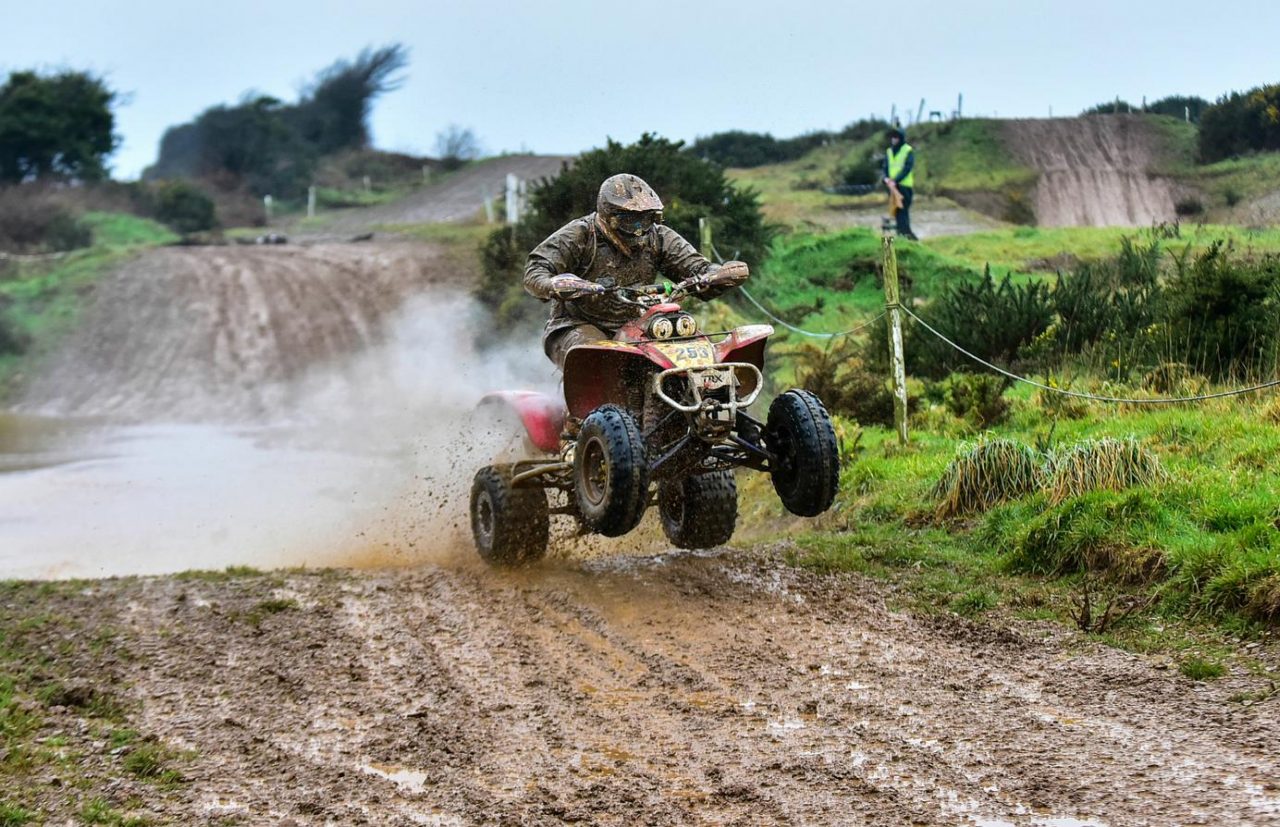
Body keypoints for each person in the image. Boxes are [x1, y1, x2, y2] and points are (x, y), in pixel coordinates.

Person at [523, 173, 748, 370]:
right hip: (576, 324)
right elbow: (536, 270)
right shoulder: (581, 234)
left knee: (695, 352)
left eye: (647, 218)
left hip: (641, 325)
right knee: (596, 358)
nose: (640, 228)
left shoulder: (658, 237)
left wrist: (718, 275)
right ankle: (578, 417)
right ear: (609, 217)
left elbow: (696, 267)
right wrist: (557, 284)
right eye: (631, 219)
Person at [883, 128, 919, 241]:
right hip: (892, 187)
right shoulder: (889, 151)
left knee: (902, 211)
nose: (893, 139)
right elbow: (885, 167)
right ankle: (903, 235)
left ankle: (905, 235)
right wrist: (886, 178)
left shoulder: (907, 150)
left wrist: (895, 180)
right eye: (892, 137)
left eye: (896, 137)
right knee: (897, 211)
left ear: (901, 138)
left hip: (904, 186)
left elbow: (907, 168)